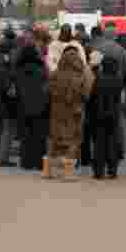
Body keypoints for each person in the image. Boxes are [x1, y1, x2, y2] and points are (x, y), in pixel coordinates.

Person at [47, 47, 93, 179]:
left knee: (55, 139)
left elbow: (48, 90)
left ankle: (51, 170)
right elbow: (86, 94)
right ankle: (68, 172)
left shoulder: (55, 74)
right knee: (73, 140)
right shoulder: (80, 76)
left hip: (57, 112)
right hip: (75, 112)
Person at [88, 53, 125, 179]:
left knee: (99, 144)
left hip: (99, 114)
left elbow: (92, 98)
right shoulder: (118, 80)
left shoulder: (98, 79)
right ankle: (112, 169)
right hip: (113, 115)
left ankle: (99, 171)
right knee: (112, 143)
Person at [14, 44, 50, 172]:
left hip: (23, 106)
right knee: (39, 136)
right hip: (40, 107)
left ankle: (26, 161)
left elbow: (15, 89)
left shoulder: (17, 69)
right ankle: (40, 162)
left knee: (26, 136)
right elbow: (47, 87)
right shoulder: (42, 69)